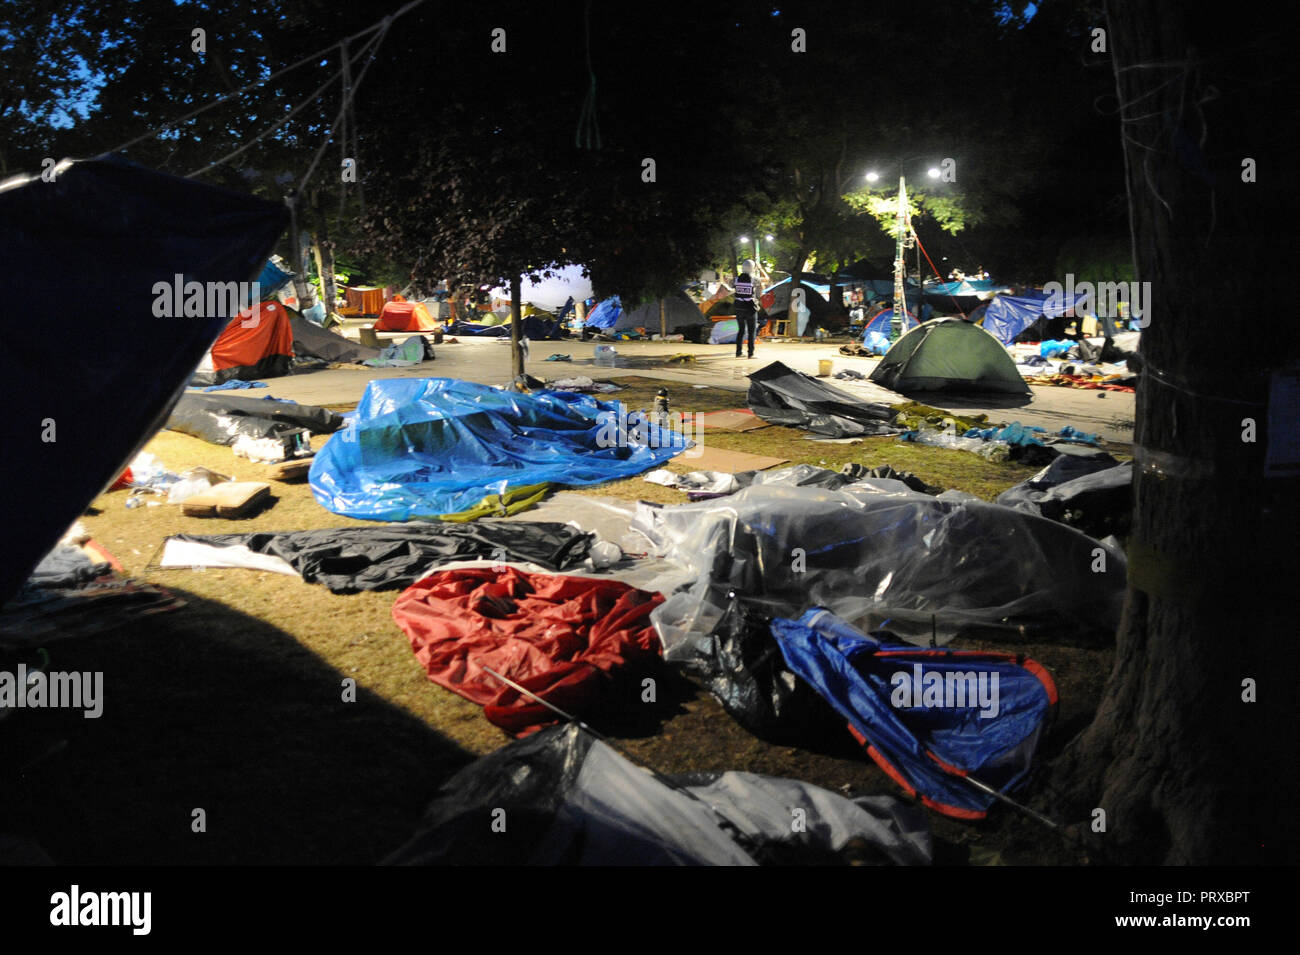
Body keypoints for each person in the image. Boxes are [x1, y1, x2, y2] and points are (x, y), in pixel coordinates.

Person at [733, 262, 760, 359]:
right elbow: (758, 294)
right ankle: (751, 353)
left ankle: (738, 352)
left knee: (741, 330)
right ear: (752, 268)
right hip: (750, 308)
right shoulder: (755, 279)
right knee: (752, 331)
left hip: (738, 307)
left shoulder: (735, 279)